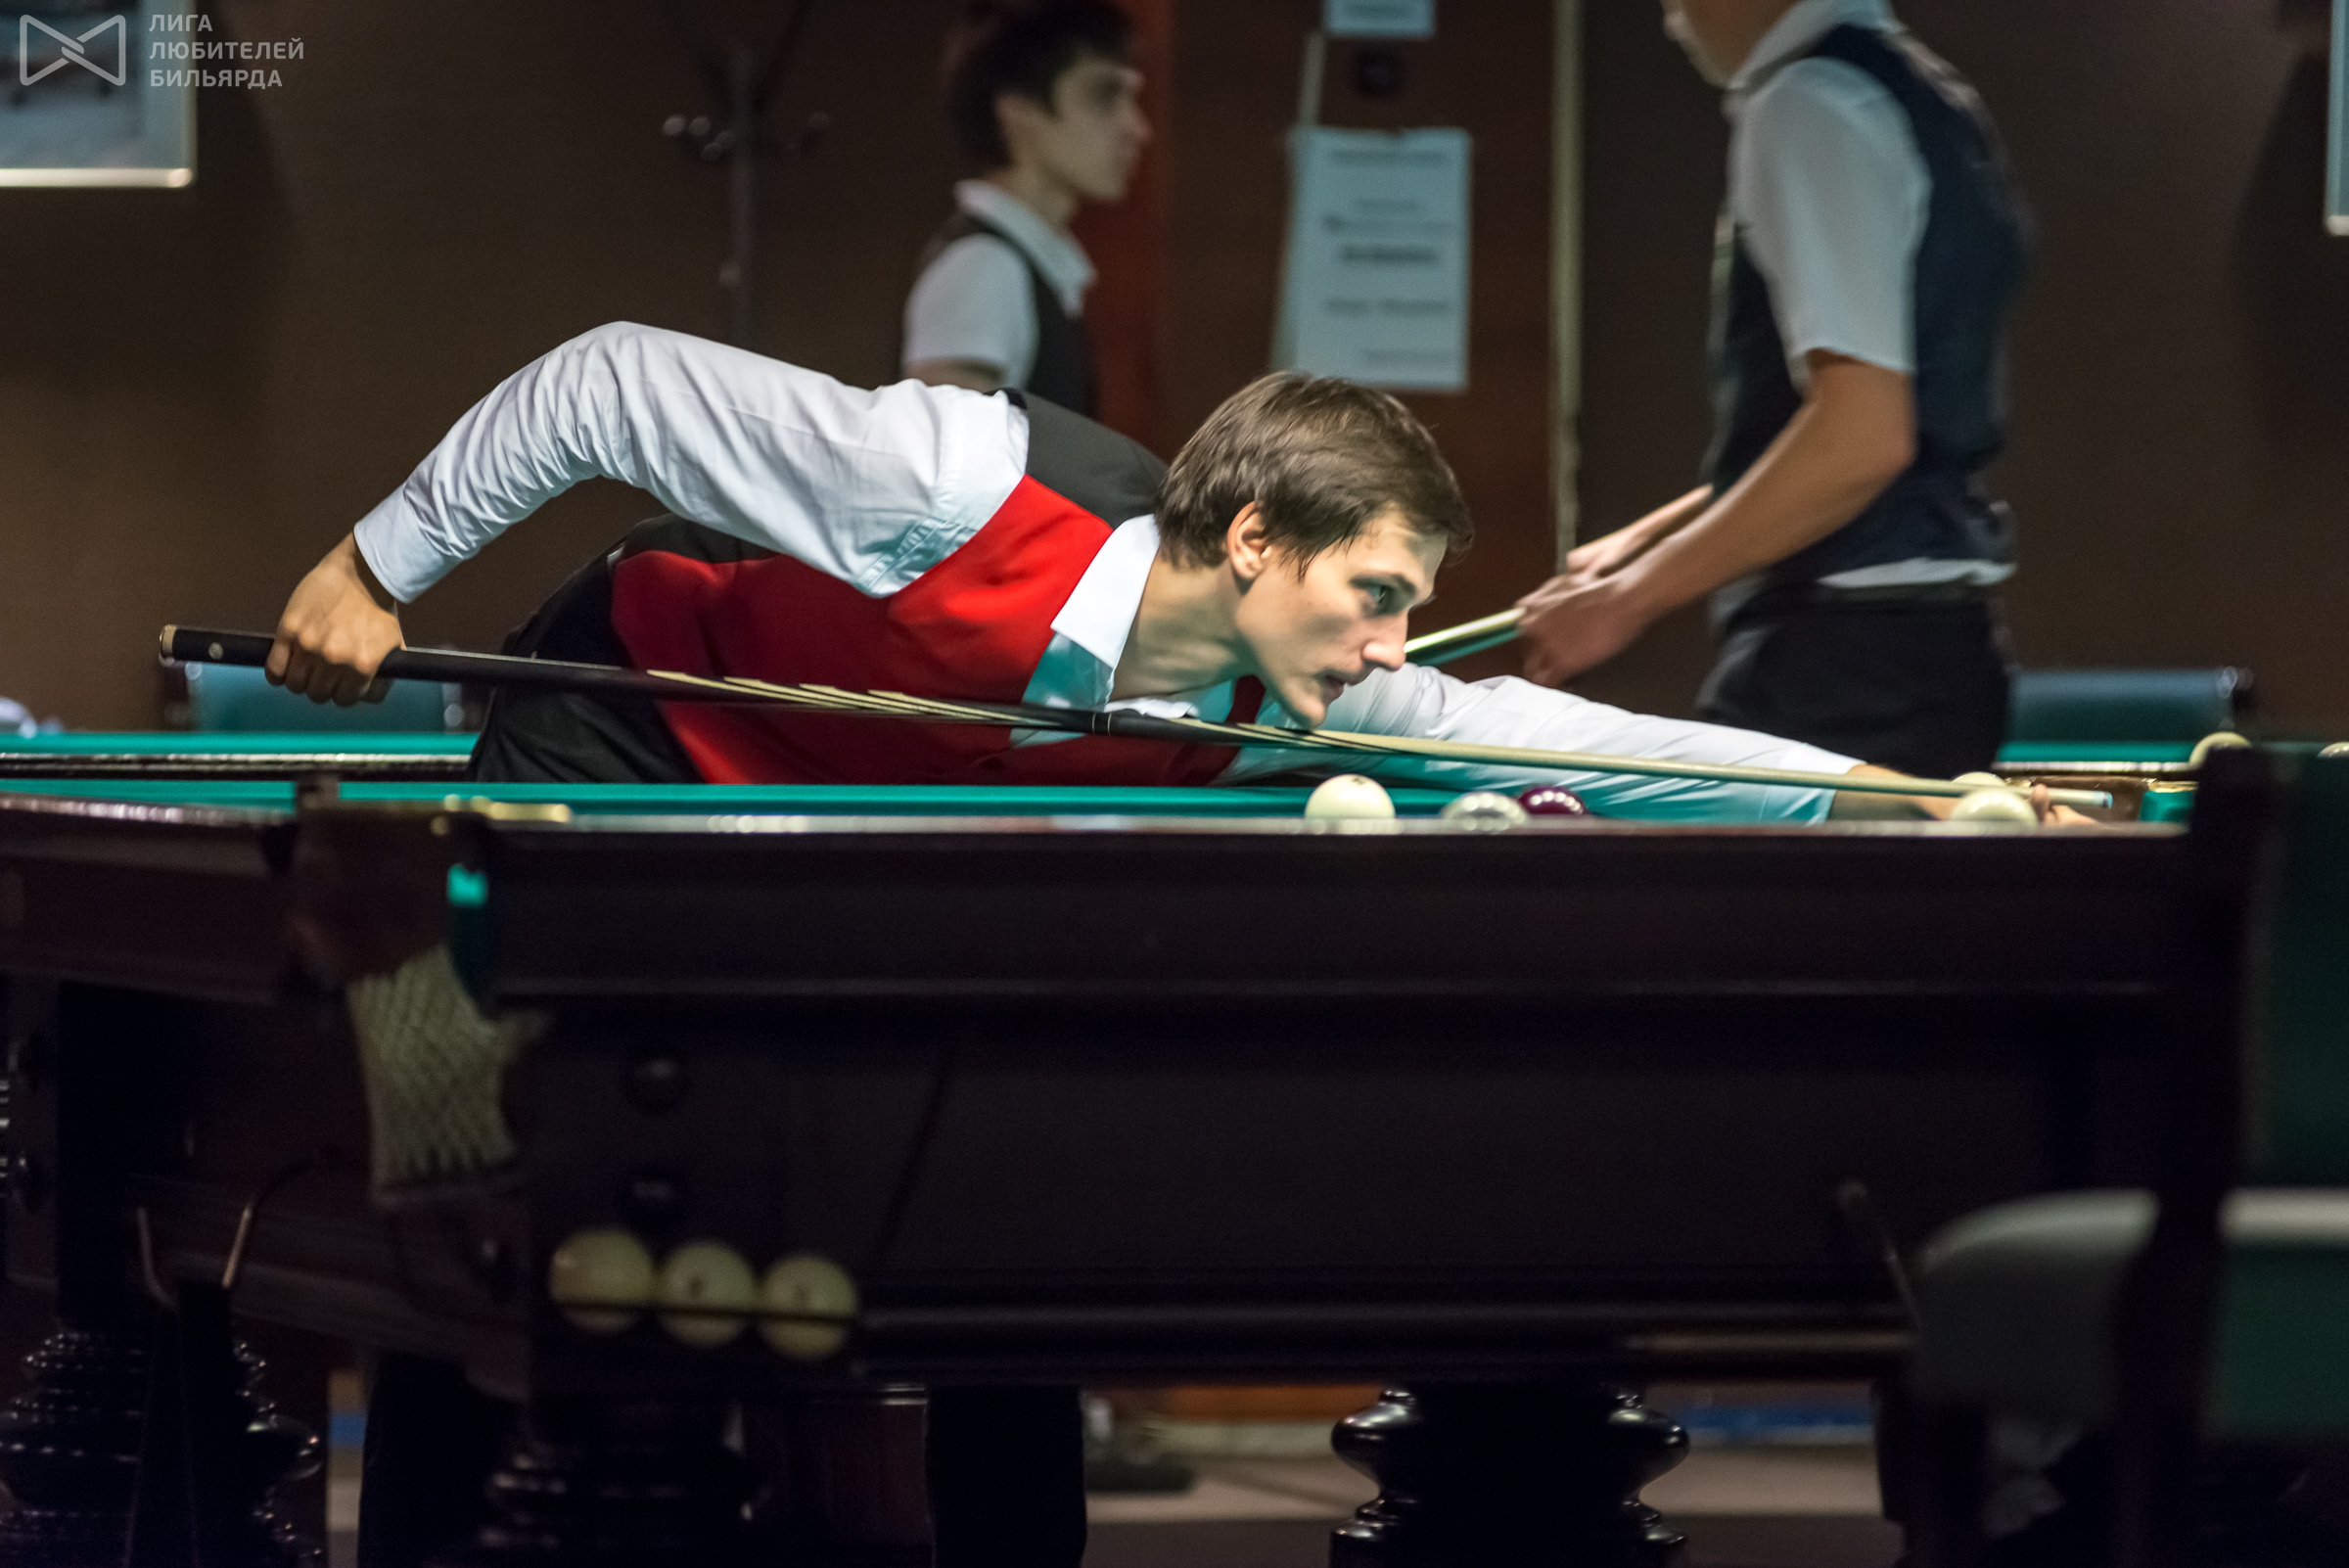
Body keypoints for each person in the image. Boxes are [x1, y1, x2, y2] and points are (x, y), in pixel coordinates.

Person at [268, 320, 2027, 1568]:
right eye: (1379, 592)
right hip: (629, 734)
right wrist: (373, 562)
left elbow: (1575, 741)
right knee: (509, 1208)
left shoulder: (1284, 696)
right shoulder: (947, 477)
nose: (1394, 641)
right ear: (1255, 537)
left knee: (988, 1205)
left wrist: (1894, 796)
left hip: (853, 851)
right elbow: (607, 382)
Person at [1513, 0, 2030, 780]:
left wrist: (1627, 600)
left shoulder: (1806, 103)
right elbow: (1887, 422)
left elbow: (1862, 441)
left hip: (1845, 665)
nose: (1671, 19)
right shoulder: (1926, 93)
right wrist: (1650, 539)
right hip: (1930, 650)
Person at [900, 0, 1148, 415]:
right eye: (1104, 96)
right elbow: (946, 447)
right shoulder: (984, 266)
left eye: (1131, 98)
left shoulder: (1021, 264)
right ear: (1018, 110)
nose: (1137, 129)